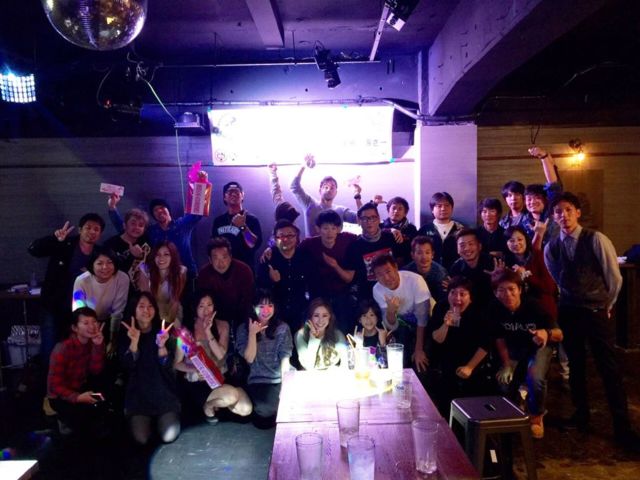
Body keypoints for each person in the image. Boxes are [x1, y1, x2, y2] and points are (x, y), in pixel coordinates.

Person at [544, 192, 640, 450]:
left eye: (568, 210)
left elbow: (614, 277)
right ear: (553, 217)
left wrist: (607, 304)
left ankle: (622, 427)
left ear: (577, 212)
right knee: (575, 365)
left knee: (608, 368)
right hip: (569, 310)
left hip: (596, 311)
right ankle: (581, 415)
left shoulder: (595, 238)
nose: (563, 215)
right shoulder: (552, 246)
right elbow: (556, 275)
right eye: (558, 211)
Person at [490, 270, 563, 439]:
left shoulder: (534, 306)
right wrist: (506, 364)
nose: (507, 294)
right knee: (503, 381)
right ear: (495, 293)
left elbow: (560, 334)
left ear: (520, 290)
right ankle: (518, 404)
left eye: (511, 289)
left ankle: (536, 416)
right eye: (501, 290)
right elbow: (499, 339)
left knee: (535, 378)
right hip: (513, 349)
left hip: (538, 348)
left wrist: (546, 333)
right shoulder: (494, 308)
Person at [29, 213, 105, 361]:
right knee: (50, 347)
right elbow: (33, 250)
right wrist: (54, 239)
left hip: (81, 310)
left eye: (96, 229)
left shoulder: (99, 253)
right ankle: (48, 375)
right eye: (88, 227)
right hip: (53, 305)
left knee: (76, 350)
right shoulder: (64, 243)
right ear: (80, 229)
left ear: (100, 234)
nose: (92, 232)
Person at [173, 292, 252, 425]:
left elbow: (221, 355)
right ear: (195, 308)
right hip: (200, 382)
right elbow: (177, 363)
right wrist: (194, 369)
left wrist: (208, 331)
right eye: (201, 306)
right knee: (231, 396)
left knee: (246, 409)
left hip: (221, 378)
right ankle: (211, 406)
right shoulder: (187, 331)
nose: (206, 310)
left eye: (209, 305)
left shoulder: (222, 325)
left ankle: (213, 405)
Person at [119, 292, 181, 445]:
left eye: (150, 306)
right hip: (138, 395)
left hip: (162, 392)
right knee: (141, 439)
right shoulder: (126, 331)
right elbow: (127, 366)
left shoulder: (163, 331)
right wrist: (134, 342)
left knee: (170, 435)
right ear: (134, 310)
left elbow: (168, 365)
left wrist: (162, 346)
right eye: (141, 306)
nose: (146, 310)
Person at [427, 277, 494, 417]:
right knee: (444, 397)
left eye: (462, 294)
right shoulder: (441, 307)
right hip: (446, 360)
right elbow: (436, 339)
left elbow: (485, 343)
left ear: (470, 297)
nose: (457, 298)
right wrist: (446, 324)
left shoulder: (479, 312)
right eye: (453, 293)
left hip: (471, 361)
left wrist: (470, 367)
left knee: (470, 404)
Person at [236, 290, 293, 428]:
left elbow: (285, 357)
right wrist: (252, 334)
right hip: (258, 379)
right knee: (265, 414)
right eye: (261, 306)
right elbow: (249, 358)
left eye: (270, 305)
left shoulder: (282, 327)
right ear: (253, 307)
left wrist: (285, 386)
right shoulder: (243, 329)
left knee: (293, 403)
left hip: (279, 376)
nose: (266, 310)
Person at [46, 307, 107, 436]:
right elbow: (55, 386)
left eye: (94, 322)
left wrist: (97, 346)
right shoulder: (63, 348)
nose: (92, 326)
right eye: (86, 323)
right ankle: (61, 421)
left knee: (102, 405)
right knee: (80, 423)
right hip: (60, 396)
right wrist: (78, 397)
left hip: (80, 387)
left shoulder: (94, 342)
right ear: (75, 328)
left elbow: (96, 370)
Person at [108, 194, 202, 277]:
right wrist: (112, 207)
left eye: (162, 207)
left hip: (186, 274)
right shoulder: (151, 231)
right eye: (155, 210)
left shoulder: (182, 224)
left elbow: (198, 212)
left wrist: (201, 185)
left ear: (168, 210)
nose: (159, 211)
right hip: (161, 277)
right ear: (153, 215)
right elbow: (127, 228)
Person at [297, 210, 357, 333]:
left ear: (339, 229)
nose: (329, 232)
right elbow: (290, 248)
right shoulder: (309, 244)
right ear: (318, 229)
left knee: (343, 329)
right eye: (325, 228)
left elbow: (368, 236)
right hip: (318, 296)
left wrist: (335, 266)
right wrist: (270, 250)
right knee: (317, 330)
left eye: (333, 228)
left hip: (341, 295)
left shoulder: (347, 239)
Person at [371, 253, 431, 375]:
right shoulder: (377, 290)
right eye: (380, 275)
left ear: (396, 267)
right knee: (400, 357)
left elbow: (423, 318)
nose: (386, 278)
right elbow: (391, 326)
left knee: (421, 361)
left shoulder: (415, 281)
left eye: (388, 271)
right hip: (402, 325)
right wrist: (391, 311)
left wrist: (418, 349)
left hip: (424, 323)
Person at [72, 247, 130, 355]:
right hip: (87, 323)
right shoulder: (81, 281)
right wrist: (91, 330)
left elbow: (117, 312)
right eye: (99, 263)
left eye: (110, 262)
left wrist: (113, 341)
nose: (105, 267)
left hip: (111, 322)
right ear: (92, 265)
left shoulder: (122, 278)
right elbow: (79, 312)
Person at [343, 202, 401, 301]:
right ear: (359, 221)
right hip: (368, 296)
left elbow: (400, 263)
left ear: (378, 219)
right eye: (365, 218)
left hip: (394, 290)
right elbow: (351, 276)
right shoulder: (354, 246)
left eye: (373, 217)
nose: (369, 222)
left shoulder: (391, 237)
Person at [257, 220, 308, 331]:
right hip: (275, 315)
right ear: (275, 239)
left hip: (300, 313)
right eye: (281, 236)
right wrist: (271, 281)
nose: (285, 239)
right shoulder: (268, 258)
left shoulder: (304, 256)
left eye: (290, 235)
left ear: (297, 237)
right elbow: (260, 290)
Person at [290, 155, 358, 237]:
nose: (329, 189)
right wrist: (303, 166)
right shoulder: (310, 204)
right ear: (320, 190)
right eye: (326, 186)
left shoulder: (341, 210)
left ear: (336, 192)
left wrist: (357, 195)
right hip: (311, 245)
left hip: (335, 245)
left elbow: (361, 218)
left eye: (332, 187)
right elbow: (294, 187)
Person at [197, 237, 255, 332]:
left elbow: (248, 302)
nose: (221, 263)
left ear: (230, 256)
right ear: (210, 259)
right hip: (214, 320)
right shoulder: (204, 274)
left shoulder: (244, 271)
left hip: (241, 320)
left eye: (224, 257)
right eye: (216, 258)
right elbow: (203, 304)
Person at [212, 181, 263, 271]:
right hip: (223, 270)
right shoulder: (218, 221)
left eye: (237, 192)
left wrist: (243, 227)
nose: (233, 194)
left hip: (245, 270)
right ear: (224, 197)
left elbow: (252, 244)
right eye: (230, 192)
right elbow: (213, 248)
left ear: (242, 195)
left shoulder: (252, 220)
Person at [137, 241, 187, 327]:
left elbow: (174, 301)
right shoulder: (145, 270)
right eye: (158, 254)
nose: (161, 258)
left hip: (170, 311)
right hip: (149, 310)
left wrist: (167, 324)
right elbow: (146, 300)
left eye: (166, 254)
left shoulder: (180, 272)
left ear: (173, 256)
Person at [295, 298, 349, 371]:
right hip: (310, 375)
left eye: (325, 315)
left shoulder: (337, 334)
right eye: (316, 315)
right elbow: (308, 366)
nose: (320, 320)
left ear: (330, 317)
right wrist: (313, 338)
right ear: (310, 317)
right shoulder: (300, 335)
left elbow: (345, 362)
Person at [103, 207, 151, 288]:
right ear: (124, 225)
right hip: (118, 290)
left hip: (143, 290)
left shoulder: (146, 241)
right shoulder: (110, 244)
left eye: (141, 225)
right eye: (133, 223)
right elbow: (109, 271)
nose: (137, 227)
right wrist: (132, 256)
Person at [417, 192, 465, 270]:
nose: (443, 209)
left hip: (456, 272)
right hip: (430, 272)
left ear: (452, 208)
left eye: (447, 205)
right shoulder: (424, 230)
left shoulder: (461, 229)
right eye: (439, 206)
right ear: (432, 210)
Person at [449, 228, 496, 307]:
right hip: (467, 308)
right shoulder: (456, 268)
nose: (466, 248)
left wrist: (499, 279)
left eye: (471, 244)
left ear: (479, 246)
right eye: (462, 245)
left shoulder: (493, 263)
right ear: (457, 249)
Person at [403, 236, 449, 303]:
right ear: (412, 255)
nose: (424, 257)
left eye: (427, 252)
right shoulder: (406, 272)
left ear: (432, 254)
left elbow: (443, 302)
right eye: (419, 253)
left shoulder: (441, 274)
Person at [381, 196, 418, 267]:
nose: (396, 211)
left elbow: (415, 249)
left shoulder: (411, 229)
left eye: (400, 209)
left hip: (406, 266)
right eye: (393, 208)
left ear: (405, 213)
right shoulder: (380, 226)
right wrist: (390, 230)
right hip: (384, 265)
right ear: (388, 210)